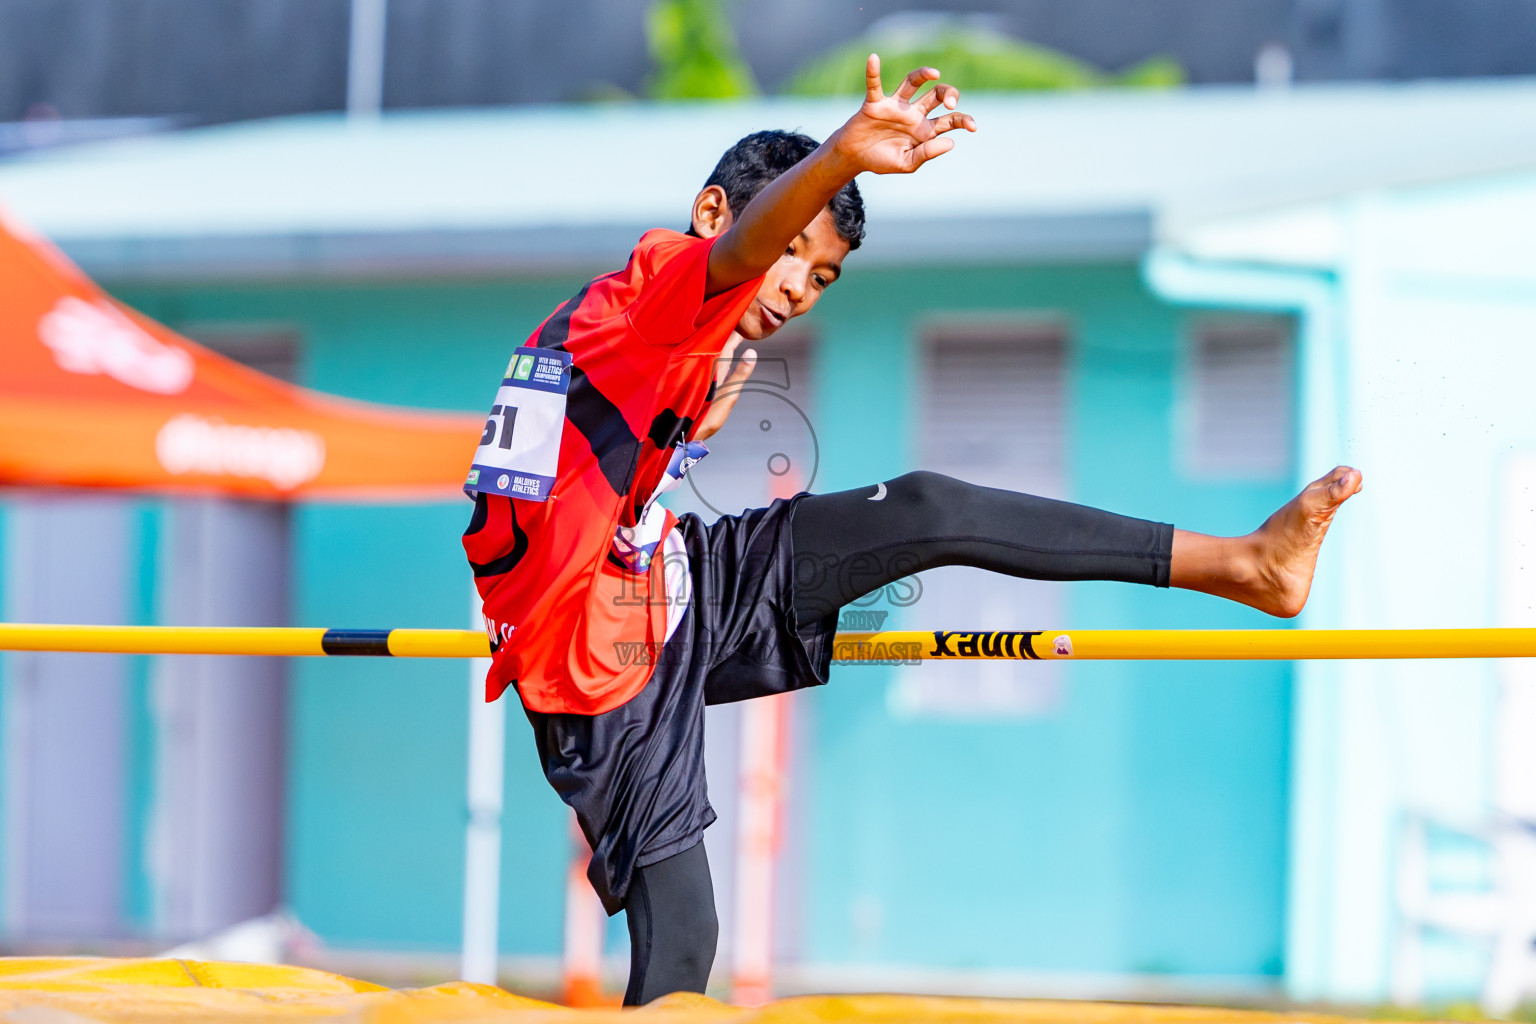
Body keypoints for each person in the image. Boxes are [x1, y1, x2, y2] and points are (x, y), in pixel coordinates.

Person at [461, 56, 1362, 1006]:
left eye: (823, 276)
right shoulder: (650, 296)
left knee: (932, 508)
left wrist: (689, 417)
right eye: (791, 251)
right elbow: (725, 266)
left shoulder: (679, 343)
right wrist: (842, 156)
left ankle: (1249, 565)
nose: (801, 287)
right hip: (590, 659)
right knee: (686, 943)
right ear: (718, 212)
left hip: (668, 576)